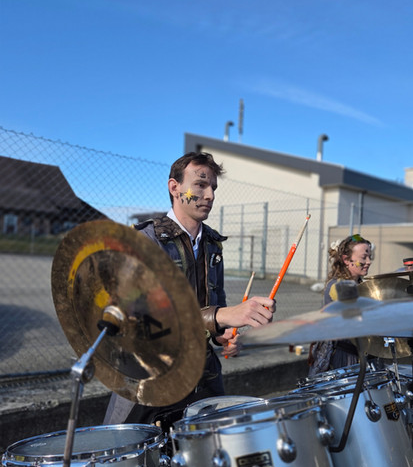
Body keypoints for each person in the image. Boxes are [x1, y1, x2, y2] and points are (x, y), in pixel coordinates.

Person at [104, 151, 275, 430]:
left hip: (203, 378)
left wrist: (223, 335)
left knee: (210, 451)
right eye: (200, 185)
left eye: (213, 188)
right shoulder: (144, 241)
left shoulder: (212, 244)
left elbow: (215, 305)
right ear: (175, 187)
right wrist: (222, 316)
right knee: (138, 454)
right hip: (149, 381)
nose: (210, 195)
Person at [308, 233, 372, 376]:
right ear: (346, 260)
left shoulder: (359, 284)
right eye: (363, 257)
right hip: (342, 357)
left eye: (370, 257)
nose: (368, 261)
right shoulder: (338, 286)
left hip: (356, 352)